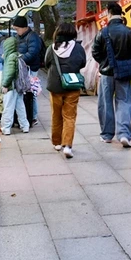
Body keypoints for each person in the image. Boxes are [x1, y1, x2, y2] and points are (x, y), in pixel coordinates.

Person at [92, 3, 131, 147]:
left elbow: (95, 51)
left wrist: (104, 62)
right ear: (121, 14)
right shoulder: (129, 32)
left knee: (105, 103)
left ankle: (107, 134)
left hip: (107, 73)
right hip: (124, 73)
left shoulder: (103, 32)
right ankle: (124, 134)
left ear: (109, 13)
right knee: (124, 102)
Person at [44, 22, 87, 159]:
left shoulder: (51, 48)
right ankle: (67, 145)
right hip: (72, 85)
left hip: (55, 86)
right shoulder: (79, 48)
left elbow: (46, 63)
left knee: (56, 114)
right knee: (70, 116)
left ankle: (57, 143)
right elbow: (83, 63)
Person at [13, 16, 44, 128]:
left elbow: (32, 53)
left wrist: (19, 60)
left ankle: (33, 116)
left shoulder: (33, 37)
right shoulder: (19, 36)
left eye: (17, 29)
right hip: (23, 68)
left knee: (32, 91)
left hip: (31, 68)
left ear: (24, 27)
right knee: (24, 91)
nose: (16, 31)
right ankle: (26, 115)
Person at [0, 37, 29, 135]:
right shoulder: (16, 55)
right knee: (20, 107)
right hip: (18, 86)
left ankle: (6, 128)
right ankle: (25, 126)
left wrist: (5, 84)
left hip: (11, 87)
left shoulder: (10, 57)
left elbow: (9, 73)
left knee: (8, 107)